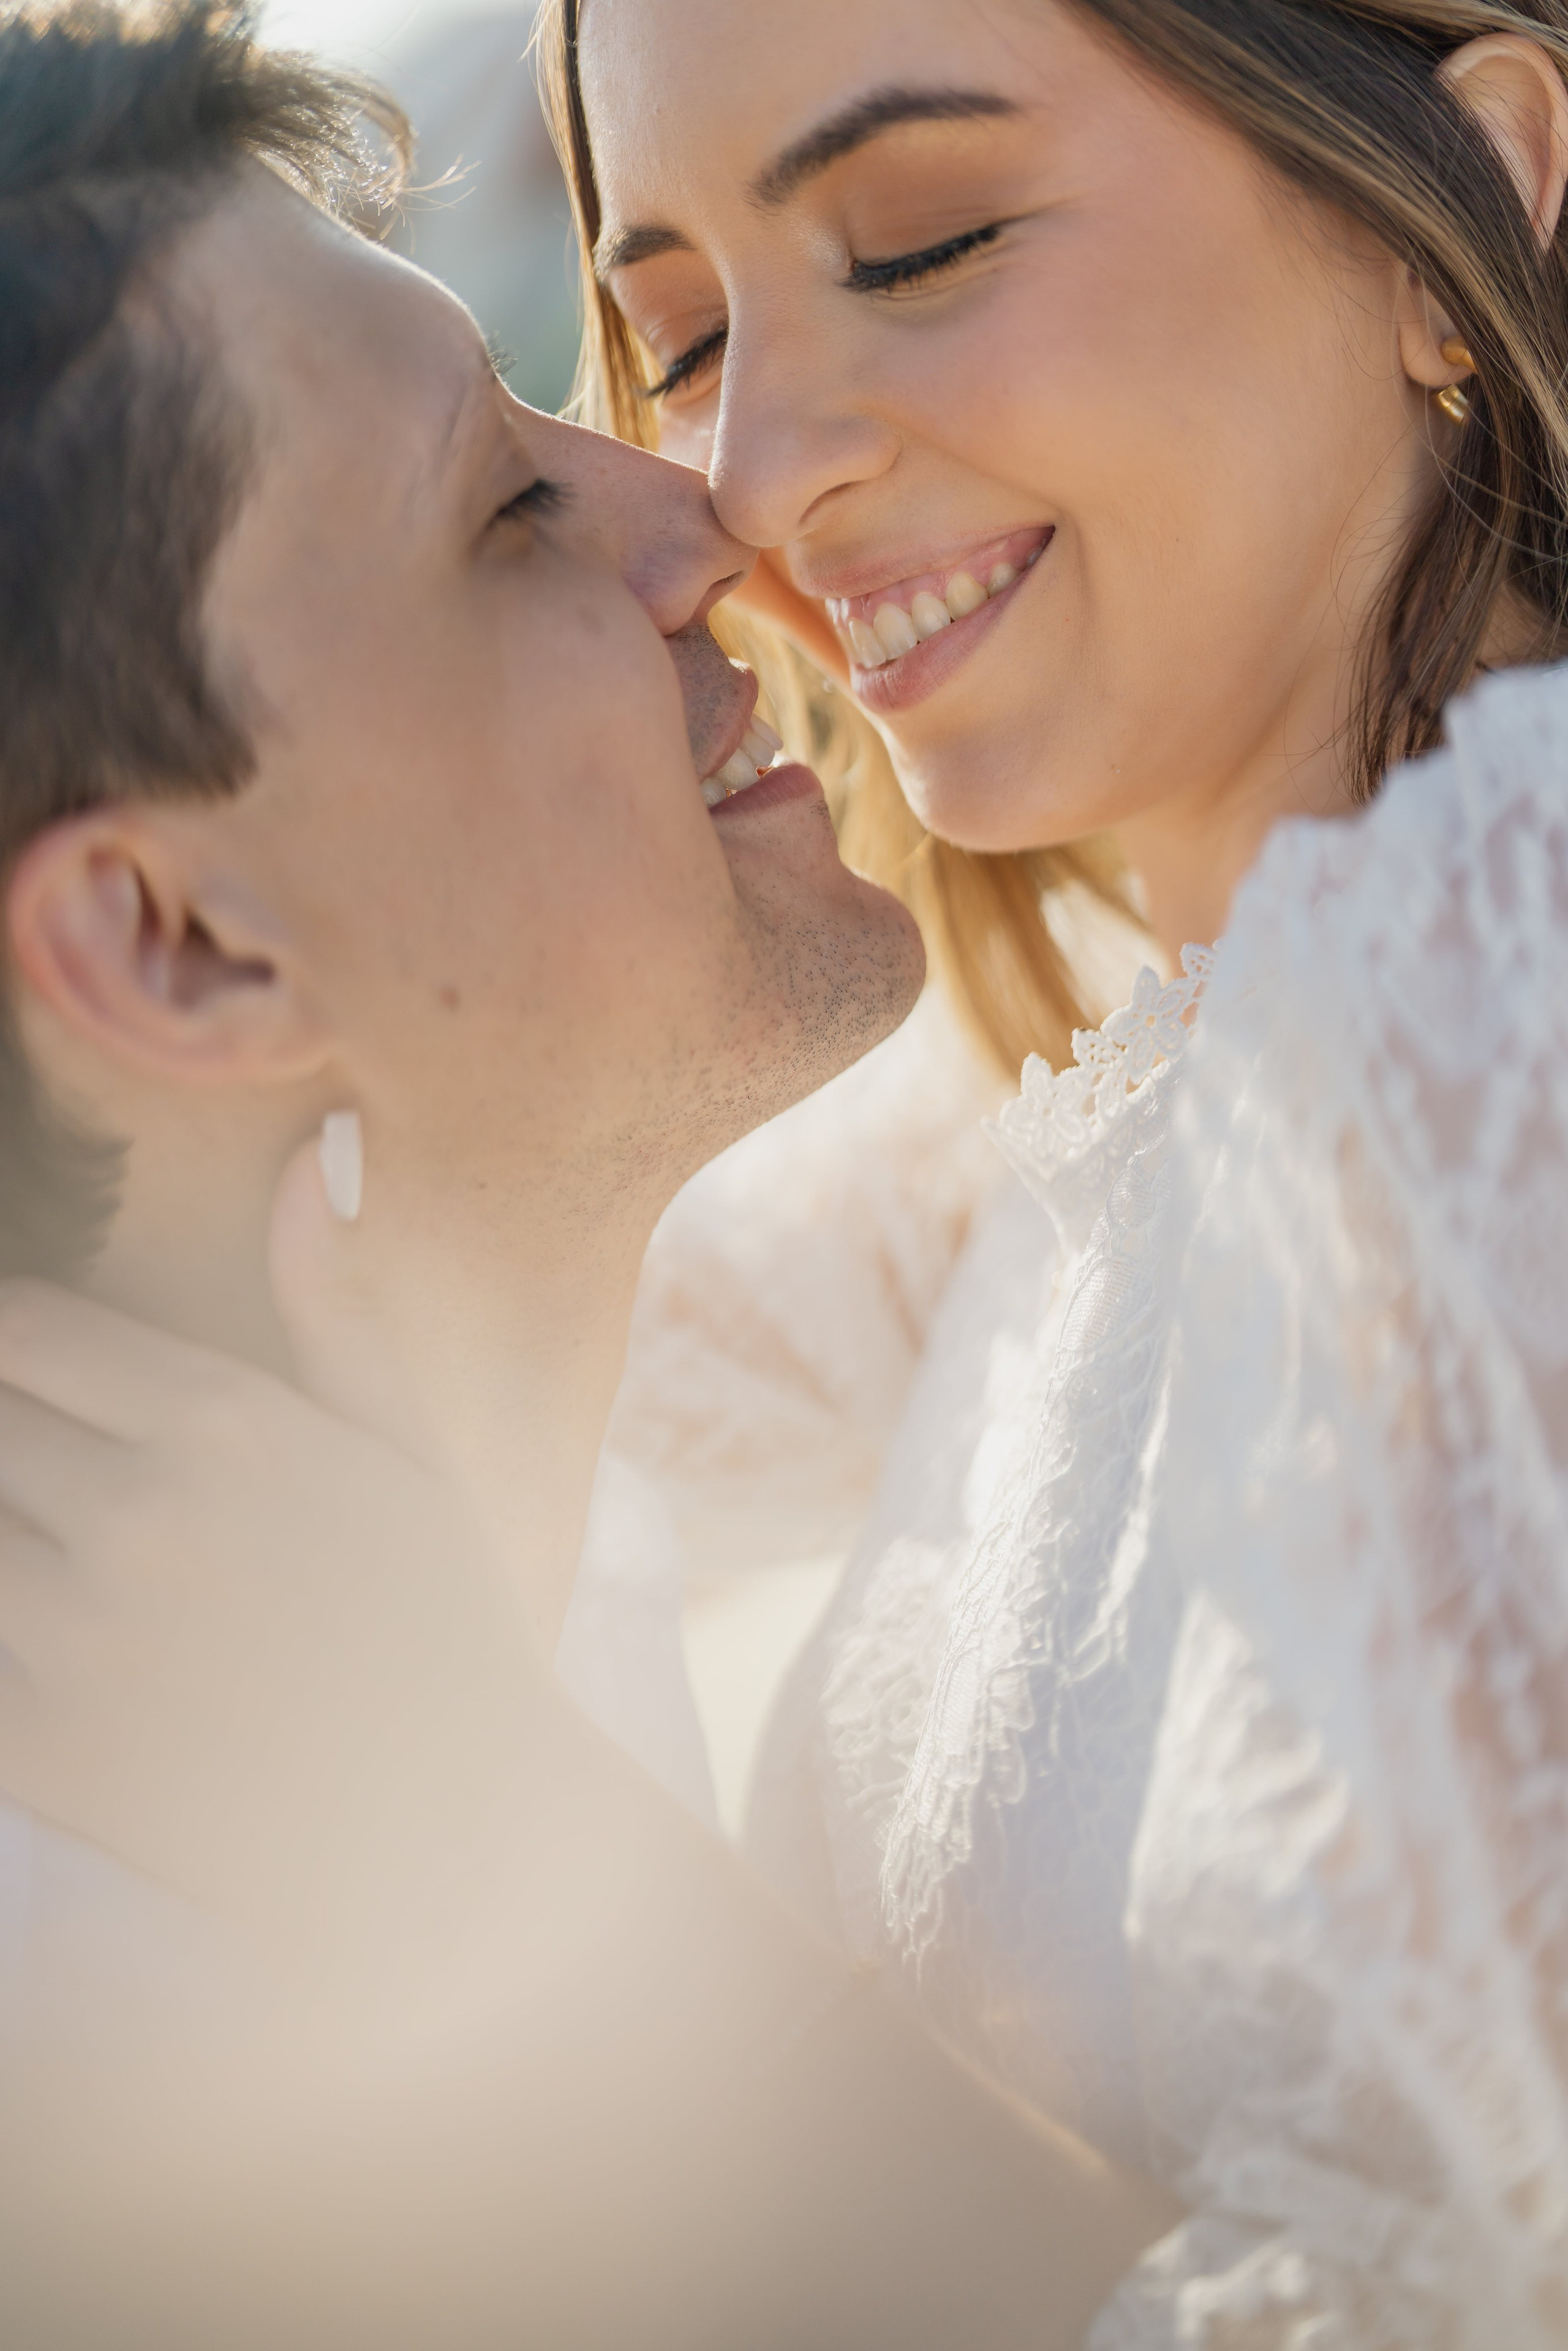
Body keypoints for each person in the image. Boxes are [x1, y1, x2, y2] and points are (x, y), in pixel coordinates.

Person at [0, 4, 1182, 2344]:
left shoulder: (530, 1569)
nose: (704, 517)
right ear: (174, 943)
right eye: (505, 514)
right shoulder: (97, 2094)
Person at [527, 0, 1568, 2336]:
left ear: (1458, 222)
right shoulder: (1052, 1121)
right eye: (685, 340)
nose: (757, 475)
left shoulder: (1518, 1006)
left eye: (922, 242)